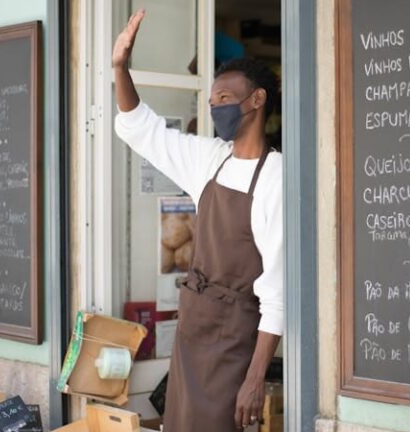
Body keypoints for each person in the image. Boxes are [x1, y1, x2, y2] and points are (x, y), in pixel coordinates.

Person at [112, 10, 283, 431]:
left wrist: (255, 379)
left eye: (225, 98)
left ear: (257, 99)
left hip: (235, 339)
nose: (216, 108)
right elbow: (142, 130)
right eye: (212, 102)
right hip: (193, 331)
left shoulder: (276, 176)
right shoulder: (210, 159)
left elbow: (277, 292)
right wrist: (120, 68)